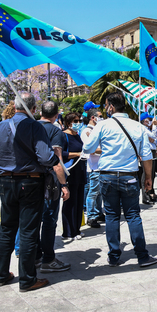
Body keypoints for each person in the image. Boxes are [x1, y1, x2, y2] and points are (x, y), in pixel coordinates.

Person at [0, 92, 57, 292]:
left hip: (6, 182)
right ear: (33, 109)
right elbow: (46, 158)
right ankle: (27, 279)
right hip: (30, 182)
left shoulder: (0, 126)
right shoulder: (34, 127)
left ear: (14, 107)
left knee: (6, 228)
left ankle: (1, 274)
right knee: (29, 231)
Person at [83, 92, 157, 268]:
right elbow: (147, 155)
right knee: (133, 215)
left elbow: (88, 147)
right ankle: (142, 255)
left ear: (110, 106)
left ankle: (114, 256)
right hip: (129, 176)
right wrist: (148, 178)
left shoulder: (103, 125)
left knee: (112, 216)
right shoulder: (137, 126)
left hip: (107, 175)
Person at [36, 101, 71, 273]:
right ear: (56, 115)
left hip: (31, 180)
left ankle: (34, 255)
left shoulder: (30, 127)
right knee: (49, 220)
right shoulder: (55, 131)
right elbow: (58, 161)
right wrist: (64, 184)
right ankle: (48, 259)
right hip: (50, 182)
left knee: (33, 219)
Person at [61, 113, 87, 241]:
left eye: (79, 120)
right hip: (70, 172)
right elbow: (61, 153)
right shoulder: (63, 135)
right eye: (75, 121)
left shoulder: (77, 136)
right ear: (68, 122)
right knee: (70, 202)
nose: (78, 122)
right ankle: (68, 231)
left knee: (79, 201)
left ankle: (77, 228)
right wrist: (76, 154)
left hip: (80, 171)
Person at [81, 108, 105, 227]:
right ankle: (91, 216)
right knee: (93, 192)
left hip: (101, 166)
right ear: (93, 117)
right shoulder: (86, 131)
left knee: (99, 193)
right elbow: (91, 150)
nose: (101, 118)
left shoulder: (97, 130)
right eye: (99, 116)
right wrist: (106, 150)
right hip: (94, 166)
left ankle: (98, 212)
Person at [140, 113, 157, 204]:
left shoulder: (147, 129)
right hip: (146, 152)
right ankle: (145, 196)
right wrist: (154, 126)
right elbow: (153, 136)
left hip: (152, 151)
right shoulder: (143, 128)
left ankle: (149, 193)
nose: (150, 121)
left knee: (151, 174)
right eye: (148, 119)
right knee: (145, 174)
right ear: (144, 121)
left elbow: (156, 140)